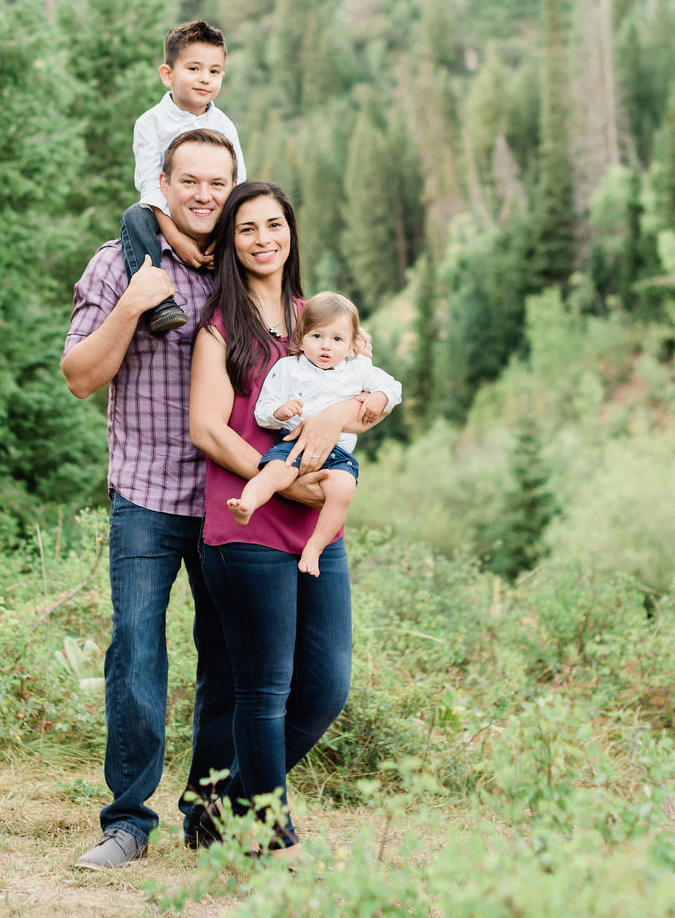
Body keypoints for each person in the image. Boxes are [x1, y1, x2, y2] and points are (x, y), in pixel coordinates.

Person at [188, 182, 391, 856]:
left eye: (274, 224)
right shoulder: (220, 326)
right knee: (265, 688)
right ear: (231, 241)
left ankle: (225, 804)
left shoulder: (322, 316)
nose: (263, 238)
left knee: (326, 686)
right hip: (247, 521)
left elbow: (373, 394)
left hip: (315, 530)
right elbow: (207, 428)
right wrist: (281, 481)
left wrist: (344, 413)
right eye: (247, 228)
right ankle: (270, 833)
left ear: (291, 232)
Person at [61, 130, 239, 870]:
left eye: (217, 183)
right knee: (136, 651)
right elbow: (79, 376)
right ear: (162, 184)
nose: (203, 195)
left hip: (228, 497)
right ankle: (128, 823)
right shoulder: (119, 262)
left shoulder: (242, 267)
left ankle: (211, 817)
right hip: (145, 493)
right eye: (189, 180)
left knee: (228, 661)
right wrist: (132, 305)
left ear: (232, 187)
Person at [228, 290, 402, 576]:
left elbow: (393, 387)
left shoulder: (358, 368)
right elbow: (263, 411)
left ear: (351, 345)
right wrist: (280, 412)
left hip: (337, 454)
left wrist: (379, 396)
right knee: (274, 472)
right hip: (294, 442)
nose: (326, 346)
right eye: (317, 336)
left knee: (343, 489)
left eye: (337, 339)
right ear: (300, 338)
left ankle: (315, 547)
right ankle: (246, 504)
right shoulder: (288, 368)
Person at [120, 20, 246, 335]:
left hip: (214, 213)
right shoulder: (150, 123)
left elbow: (238, 182)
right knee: (134, 216)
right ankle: (159, 303)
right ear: (168, 75)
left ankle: (243, 302)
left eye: (214, 71)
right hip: (165, 213)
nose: (205, 78)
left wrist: (220, 236)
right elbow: (149, 185)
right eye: (194, 68)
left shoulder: (224, 126)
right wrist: (176, 238)